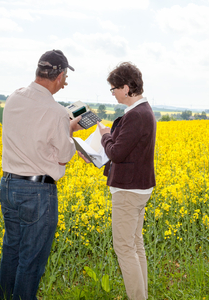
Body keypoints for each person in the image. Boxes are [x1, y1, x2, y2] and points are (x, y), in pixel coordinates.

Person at [0, 49, 83, 300]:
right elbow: (64, 154)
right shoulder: (56, 111)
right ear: (59, 76)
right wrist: (69, 130)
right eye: (65, 77)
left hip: (9, 185)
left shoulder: (14, 97)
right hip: (37, 193)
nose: (64, 83)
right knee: (31, 260)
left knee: (11, 251)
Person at [80, 62, 157, 300]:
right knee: (135, 245)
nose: (112, 93)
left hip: (128, 190)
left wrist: (104, 136)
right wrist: (97, 153)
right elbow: (125, 152)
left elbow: (117, 153)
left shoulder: (136, 115)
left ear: (126, 88)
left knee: (124, 248)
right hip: (139, 187)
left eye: (113, 88)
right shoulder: (143, 112)